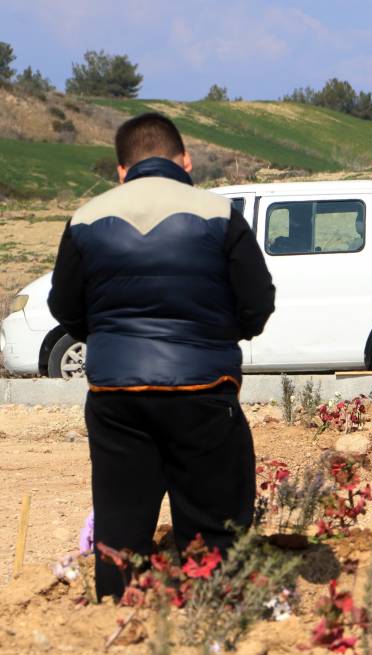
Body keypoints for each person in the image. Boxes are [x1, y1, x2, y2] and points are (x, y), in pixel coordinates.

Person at [48, 112, 276, 599]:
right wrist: (218, 337)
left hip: (116, 394)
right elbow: (258, 300)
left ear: (121, 170)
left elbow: (64, 307)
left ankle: (118, 618)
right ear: (186, 160)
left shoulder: (86, 219)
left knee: (121, 525)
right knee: (214, 521)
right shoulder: (219, 214)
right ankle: (213, 620)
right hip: (203, 390)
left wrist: (108, 339)